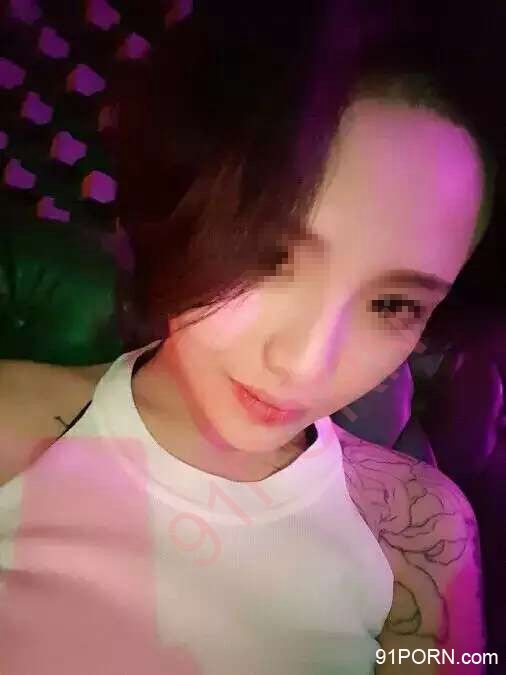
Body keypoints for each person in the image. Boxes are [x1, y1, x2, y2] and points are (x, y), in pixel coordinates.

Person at [0, 1, 501, 673]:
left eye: (393, 304)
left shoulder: (423, 529)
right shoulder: (11, 423)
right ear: (181, 206)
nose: (305, 363)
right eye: (270, 258)